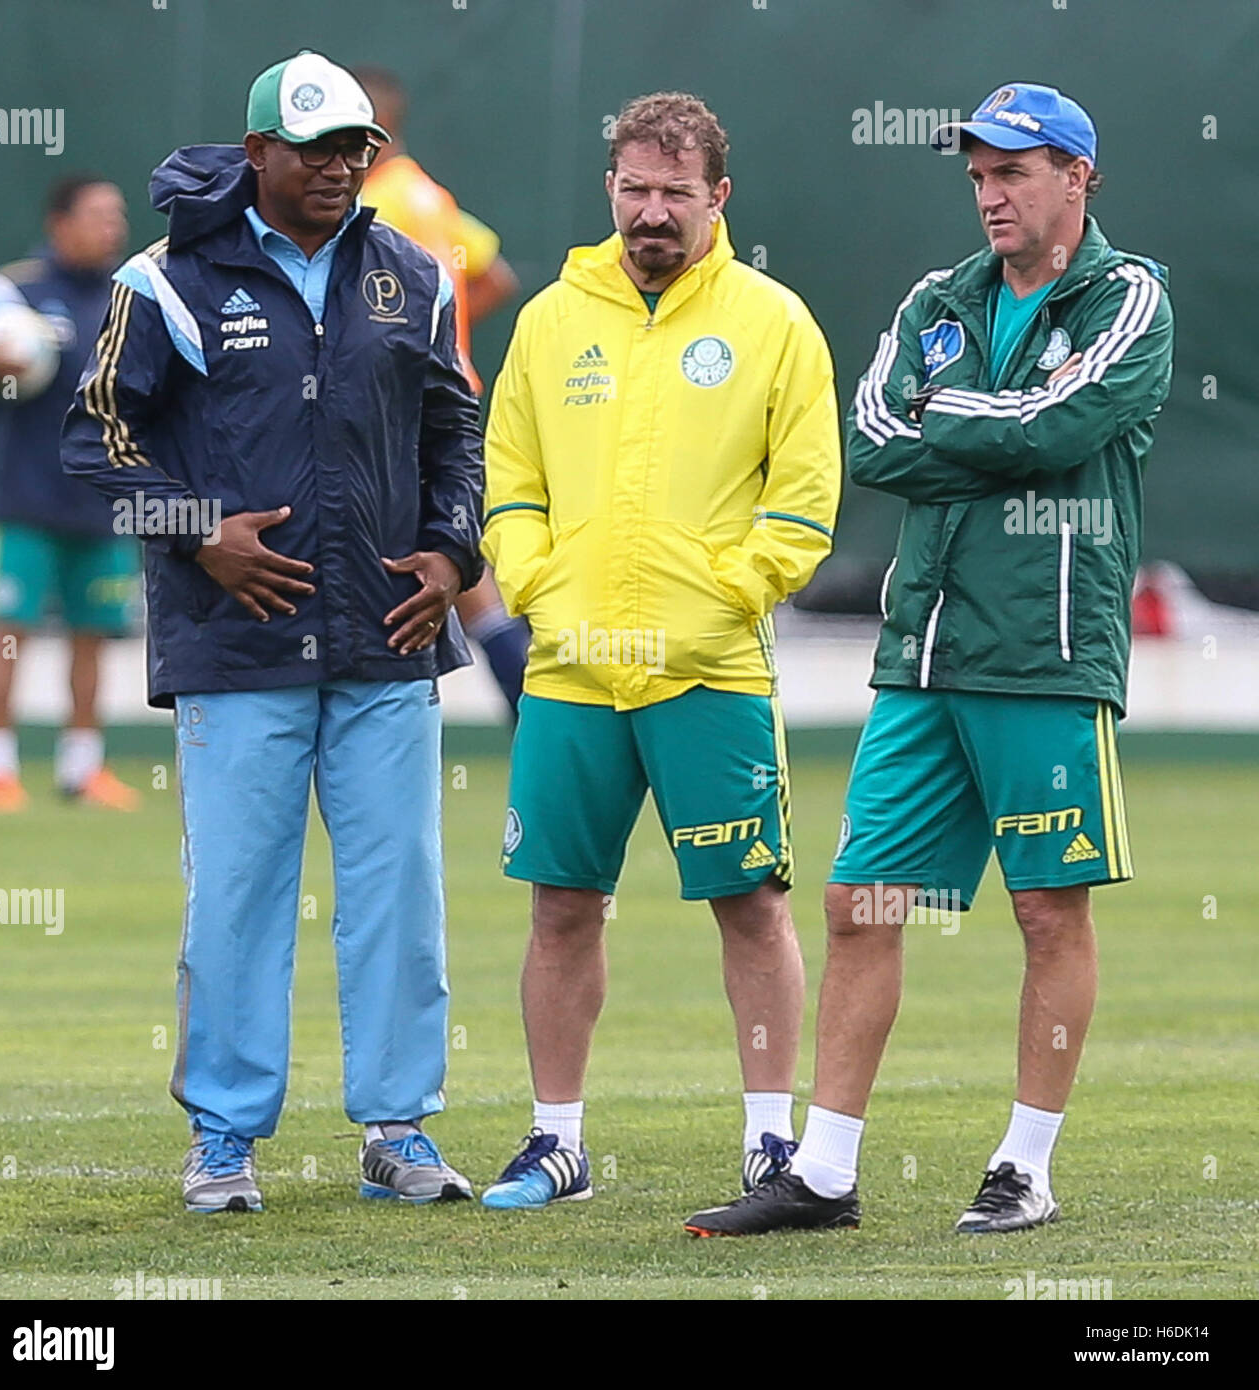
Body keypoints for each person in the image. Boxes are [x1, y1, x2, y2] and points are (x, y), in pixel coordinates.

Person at [684, 83, 1173, 1237]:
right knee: (863, 903)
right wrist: (990, 426)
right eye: (977, 176)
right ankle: (826, 1173)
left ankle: (1024, 1166)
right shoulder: (938, 299)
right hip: (924, 653)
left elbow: (1059, 425)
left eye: (1012, 172)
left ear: (1078, 176)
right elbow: (875, 440)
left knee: (1049, 913)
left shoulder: (1130, 293)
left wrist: (957, 421)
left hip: (1047, 655)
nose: (990, 195)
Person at [62, 50, 484, 1213]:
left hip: (388, 638)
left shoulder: (414, 269)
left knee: (400, 891)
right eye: (314, 151)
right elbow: (95, 445)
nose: (340, 170)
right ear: (258, 155)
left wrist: (455, 551)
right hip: (235, 642)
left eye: (356, 149)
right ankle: (224, 1140)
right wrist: (199, 534)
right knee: (238, 896)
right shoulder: (165, 281)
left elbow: (458, 432)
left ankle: (398, 1130)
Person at [478, 91, 841, 1210]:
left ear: (718, 197)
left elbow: (806, 499)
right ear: (611, 192)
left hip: (711, 671)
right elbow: (511, 483)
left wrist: (725, 597)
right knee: (559, 903)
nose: (651, 211)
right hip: (571, 672)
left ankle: (772, 1140)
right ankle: (556, 1142)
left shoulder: (775, 320)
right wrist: (539, 587)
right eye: (634, 189)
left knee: (752, 902)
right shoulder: (549, 319)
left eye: (675, 192)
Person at [355, 65, 530, 721]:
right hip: (441, 400)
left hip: (399, 407)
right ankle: (538, 713)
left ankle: (539, 714)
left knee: (429, 566)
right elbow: (493, 275)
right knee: (461, 574)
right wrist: (448, 340)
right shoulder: (425, 193)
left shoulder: (386, 202)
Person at [0, 176, 139, 811]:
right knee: (9, 633)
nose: (111, 227)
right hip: (23, 504)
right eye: (97, 215)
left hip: (102, 503)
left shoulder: (131, 297)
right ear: (60, 222)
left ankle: (82, 768)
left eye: (116, 215)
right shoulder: (15, 293)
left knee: (93, 636)